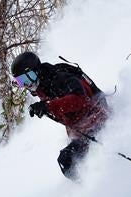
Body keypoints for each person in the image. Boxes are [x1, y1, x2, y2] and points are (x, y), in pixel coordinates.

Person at [10, 51, 109, 180]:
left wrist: (48, 106)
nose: (27, 84)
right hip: (82, 130)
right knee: (68, 162)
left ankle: (91, 188)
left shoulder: (60, 78)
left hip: (98, 122)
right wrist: (44, 108)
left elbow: (80, 100)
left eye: (28, 77)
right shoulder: (42, 85)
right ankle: (89, 186)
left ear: (37, 71)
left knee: (66, 160)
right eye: (21, 81)